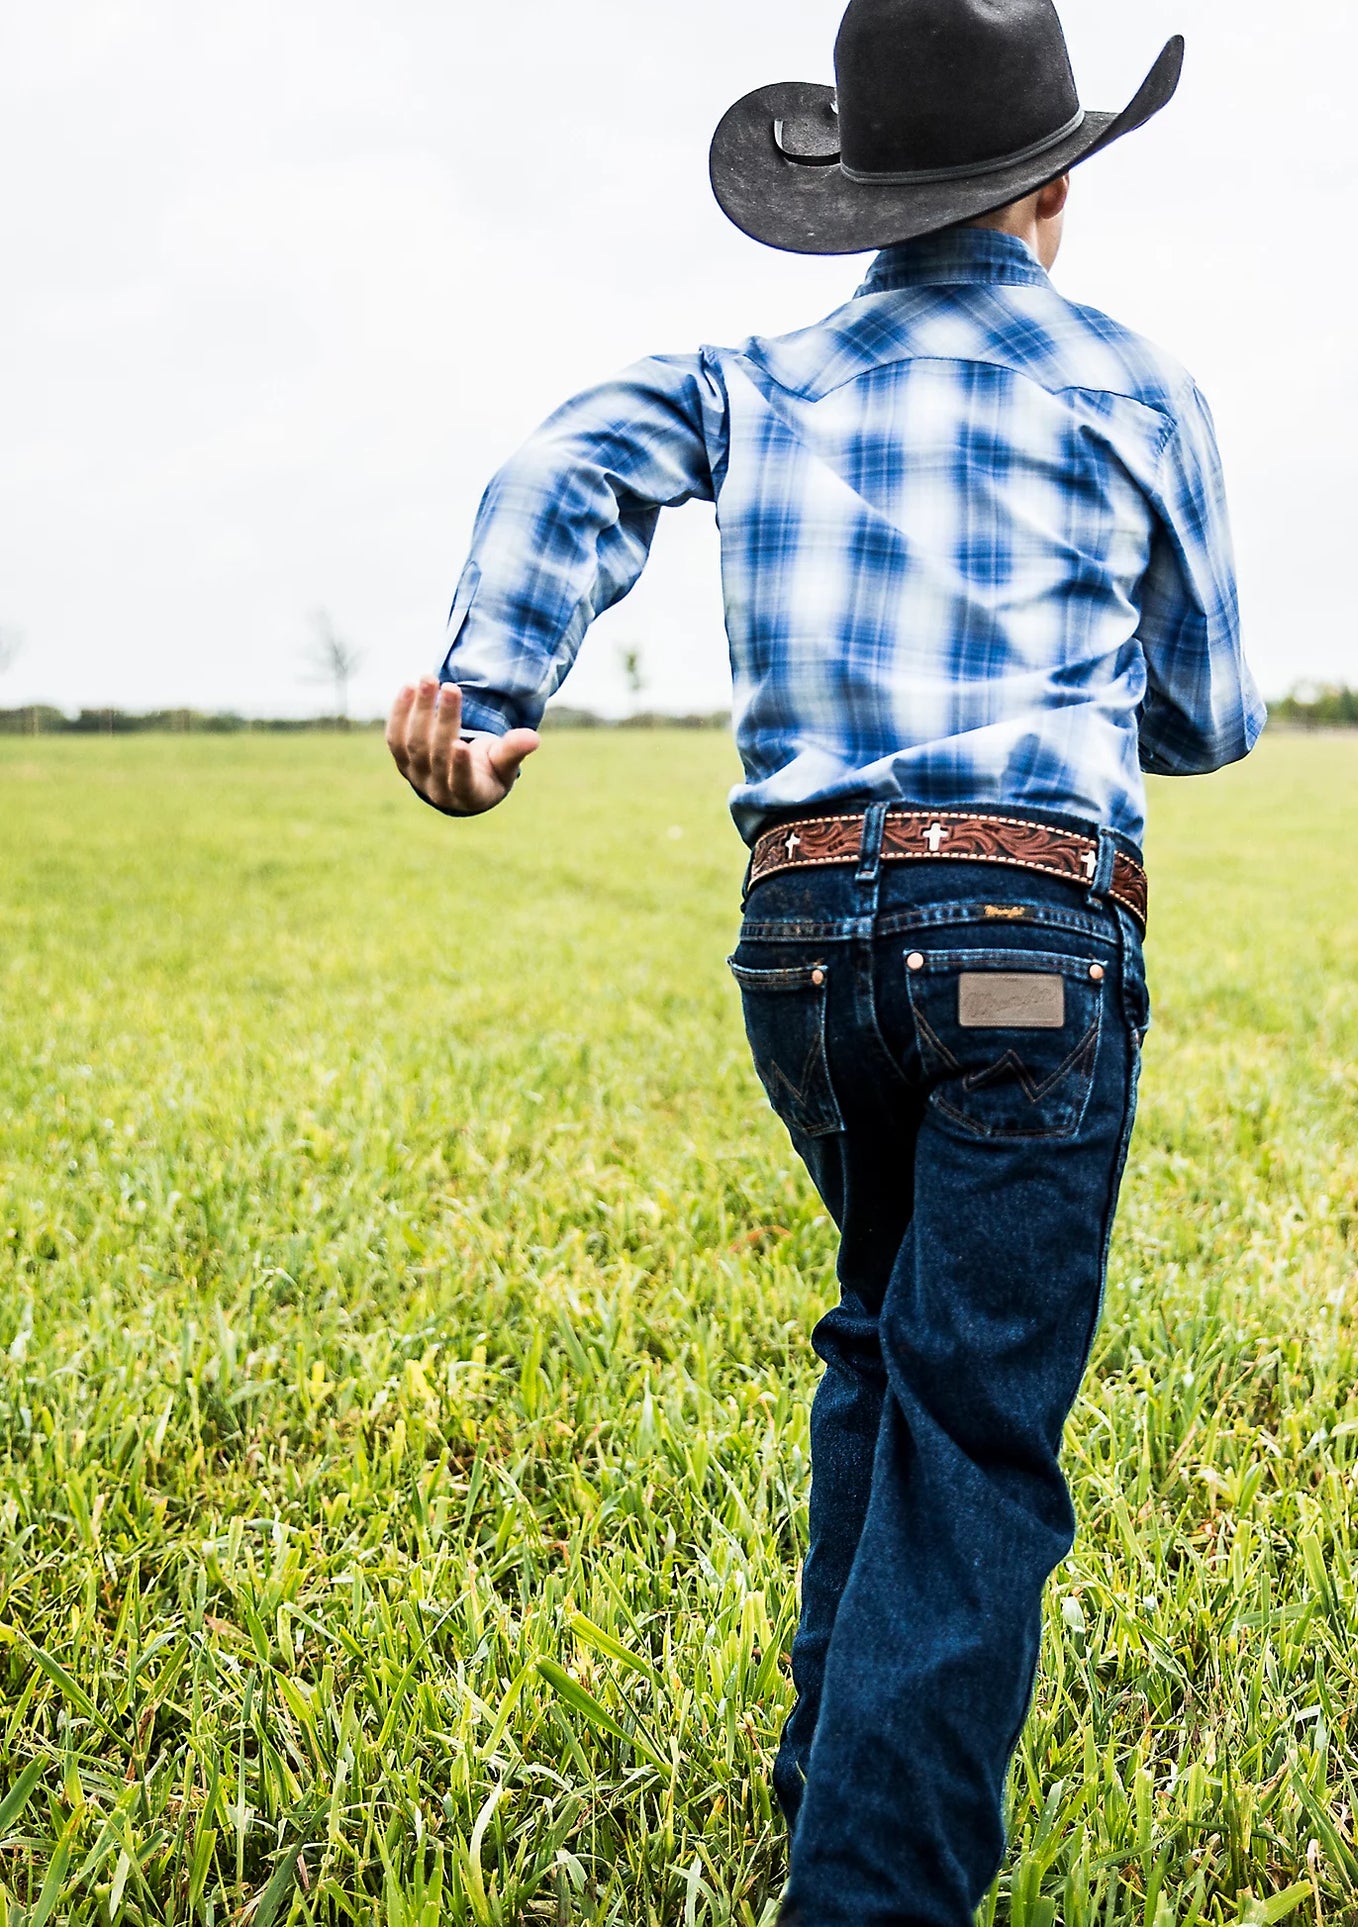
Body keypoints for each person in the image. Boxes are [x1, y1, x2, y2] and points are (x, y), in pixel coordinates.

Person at [387, 0, 1265, 1917]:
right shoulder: (1131, 389)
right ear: (1055, 179)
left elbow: (566, 458)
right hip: (1023, 945)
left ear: (862, 194)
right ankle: (871, 1895)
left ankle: (825, 1791)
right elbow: (1208, 715)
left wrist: (487, 678)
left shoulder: (754, 371)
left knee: (883, 1348)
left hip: (803, 954)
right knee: (970, 1432)